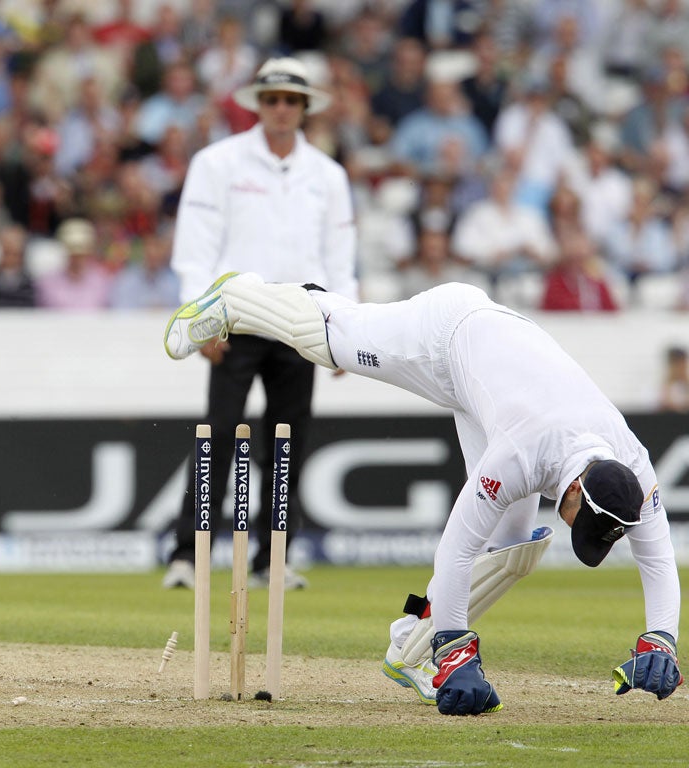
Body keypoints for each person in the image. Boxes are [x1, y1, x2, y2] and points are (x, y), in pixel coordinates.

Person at [163, 272, 682, 715]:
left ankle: (408, 645)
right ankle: (238, 297)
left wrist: (661, 639)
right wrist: (458, 648)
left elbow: (658, 558)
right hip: (444, 335)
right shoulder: (521, 453)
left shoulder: (631, 463)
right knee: (326, 338)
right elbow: (456, 545)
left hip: (494, 378)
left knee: (513, 550)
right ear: (574, 488)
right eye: (582, 522)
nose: (580, 533)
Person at [161, 57, 358, 591]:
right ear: (258, 104)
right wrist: (199, 317)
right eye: (271, 99)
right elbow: (195, 246)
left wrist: (346, 330)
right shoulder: (217, 162)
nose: (280, 109)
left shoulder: (328, 174)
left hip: (300, 317)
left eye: (290, 100)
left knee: (286, 440)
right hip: (236, 315)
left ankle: (273, 559)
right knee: (219, 433)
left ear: (304, 107)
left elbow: (340, 258)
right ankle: (189, 555)